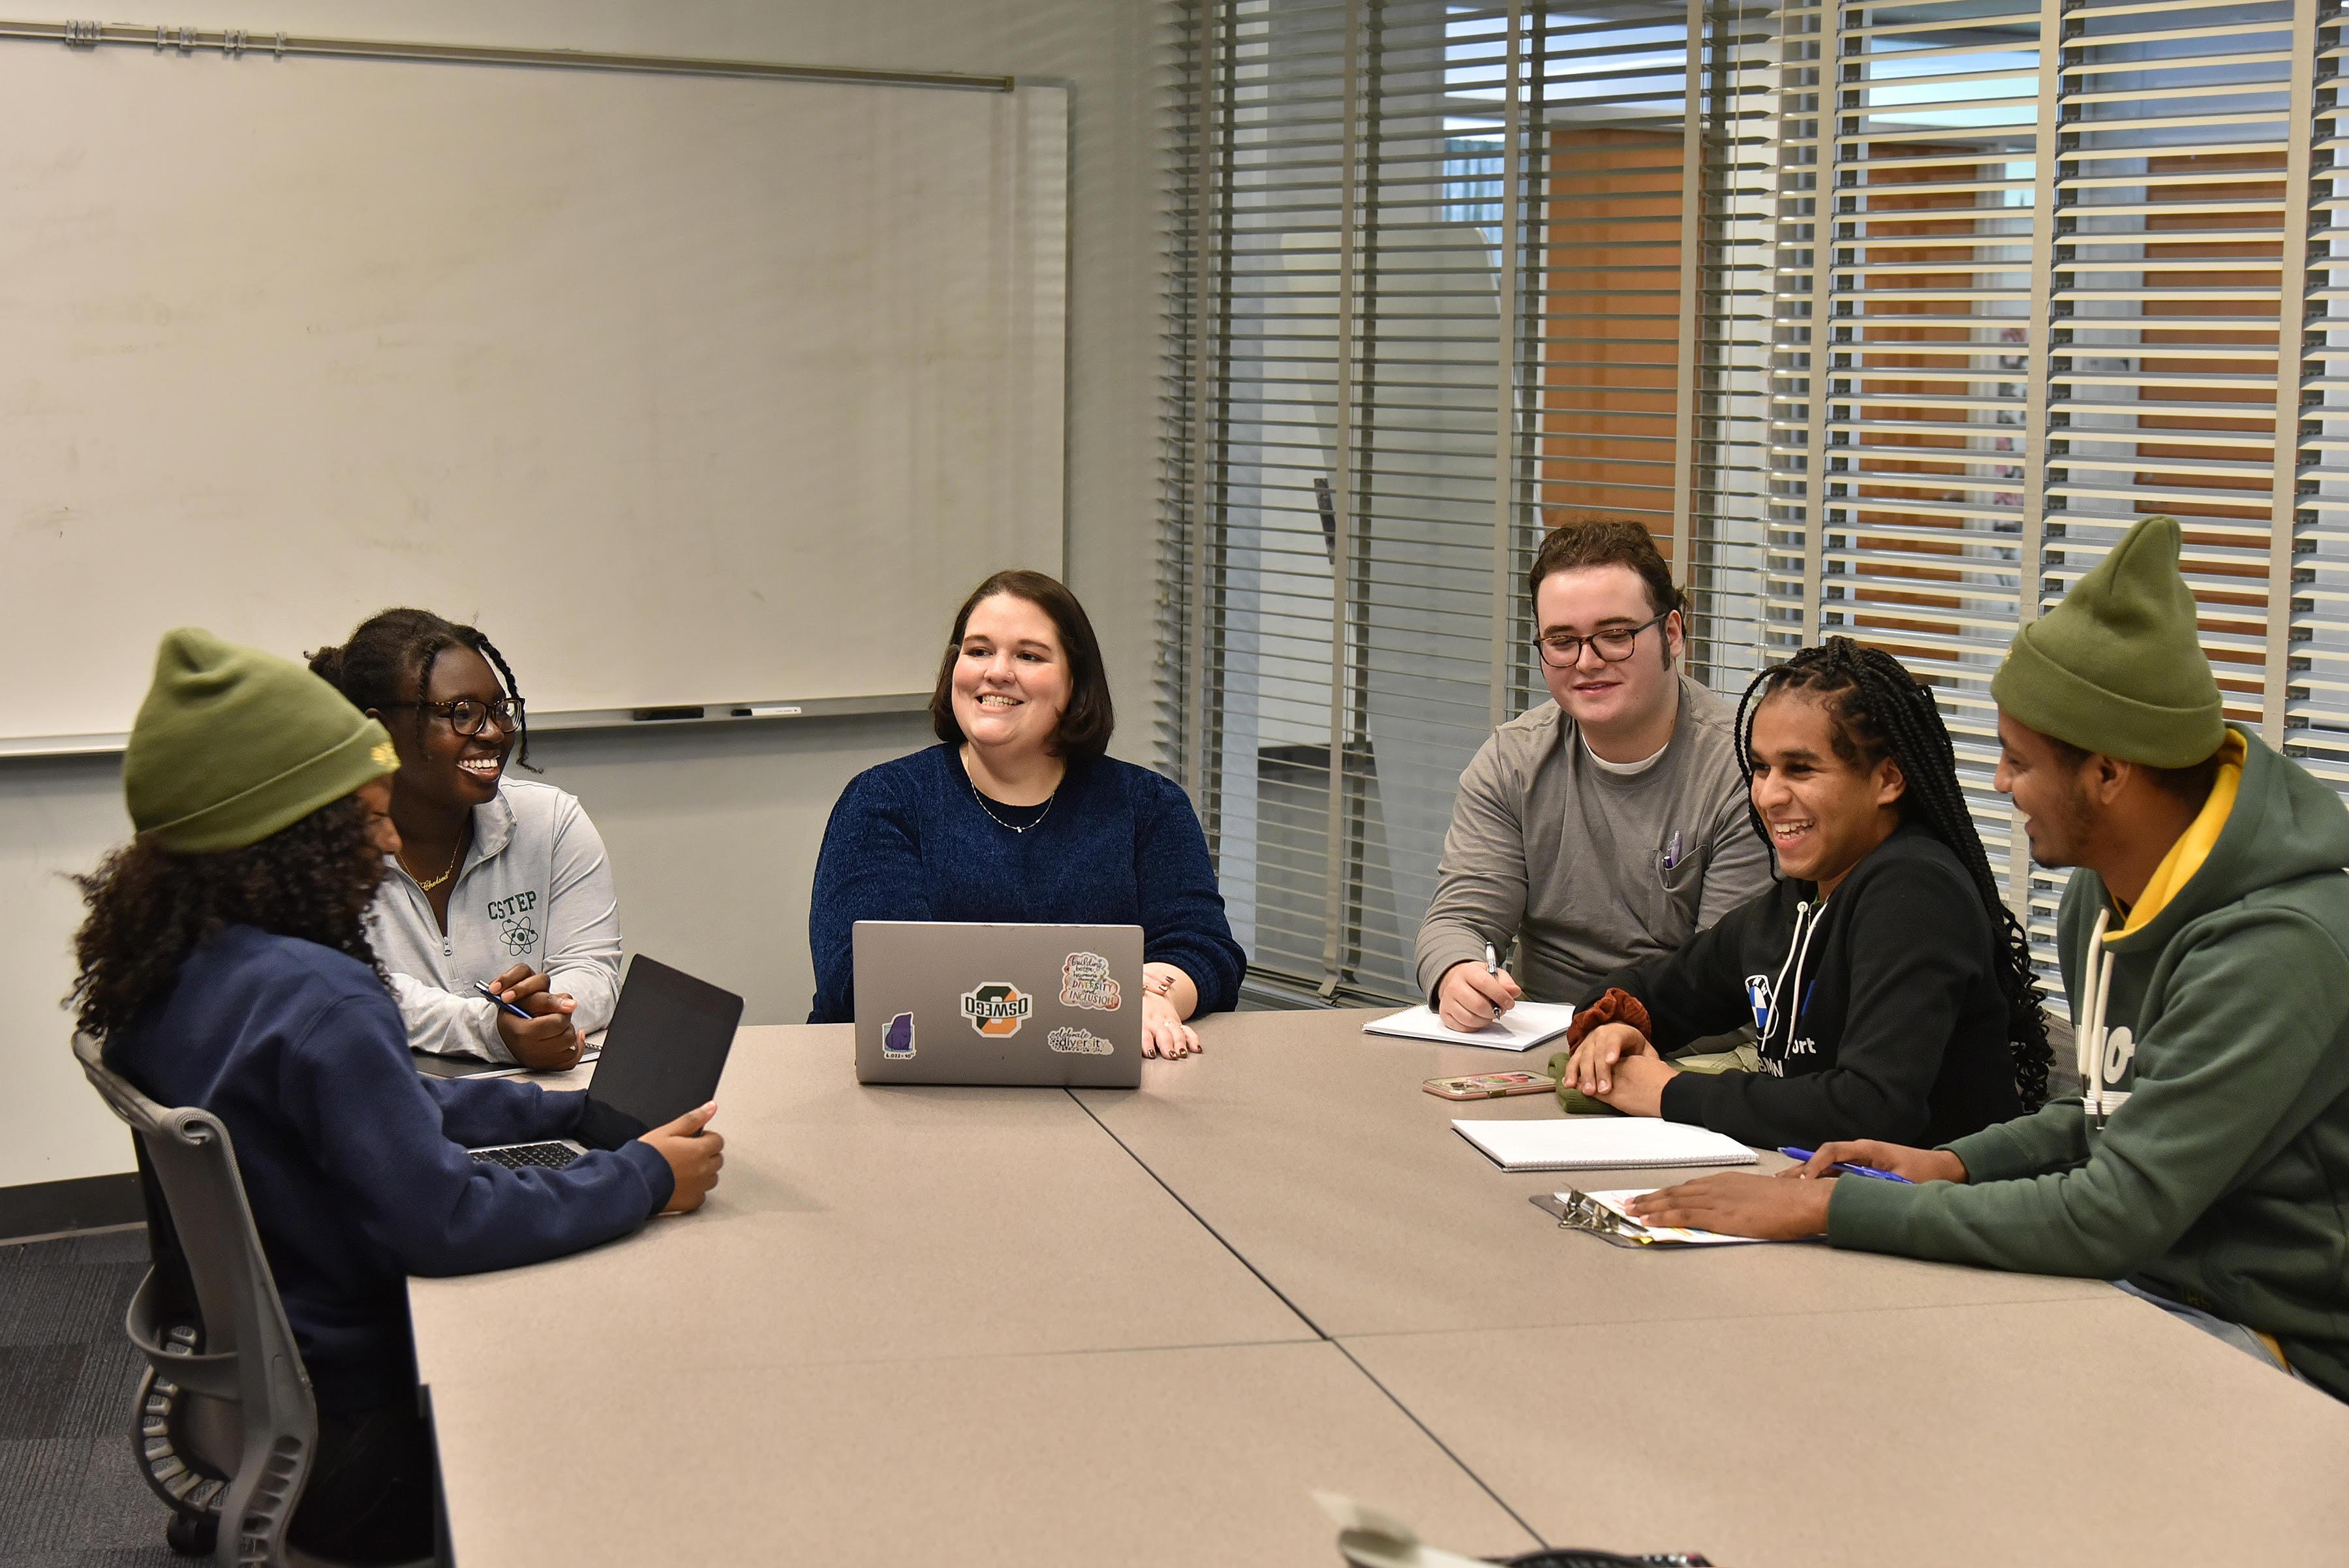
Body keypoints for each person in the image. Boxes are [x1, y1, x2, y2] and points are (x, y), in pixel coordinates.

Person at [1622, 517, 2349, 1402]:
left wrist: (1832, 1204)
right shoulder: (2101, 890)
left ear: (2109, 772)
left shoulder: (2278, 943)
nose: (1999, 784)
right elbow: (2107, 1114)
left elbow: (2118, 1207)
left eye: (2018, 760)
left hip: (2276, 1340)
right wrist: (1957, 1162)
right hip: (2140, 1281)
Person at [70, 629, 726, 1560]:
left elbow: (378, 1112)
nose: (385, 840)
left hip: (262, 1401)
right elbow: (446, 1221)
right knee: (666, 1397)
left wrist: (571, 1111)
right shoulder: (321, 998)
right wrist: (644, 1178)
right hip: (375, 1438)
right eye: (361, 818)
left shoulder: (182, 969)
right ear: (287, 831)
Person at [1556, 638, 2051, 1146]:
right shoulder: (1800, 898)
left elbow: (1872, 1108)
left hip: (1932, 1211)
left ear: (1888, 779)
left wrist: (1670, 1092)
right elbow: (1651, 989)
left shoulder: (1916, 894)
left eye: (1801, 769)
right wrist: (1611, 1029)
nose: (1768, 794)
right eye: (1763, 767)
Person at [808, 570, 1245, 1058]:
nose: (997, 671)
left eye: (1029, 655)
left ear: (1076, 682)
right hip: (909, 1083)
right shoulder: (884, 799)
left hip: (1100, 1079)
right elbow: (865, 978)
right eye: (978, 651)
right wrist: (1093, 1001)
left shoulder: (1149, 804)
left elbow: (1202, 948)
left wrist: (1150, 1002)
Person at [1415, 519, 1773, 1033]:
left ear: (1672, 634)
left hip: (1685, 1048)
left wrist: (1611, 1039)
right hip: (1539, 1039)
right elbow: (1458, 921)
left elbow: (1729, 985)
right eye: (1562, 641)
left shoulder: (1746, 770)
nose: (1587, 662)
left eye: (1614, 635)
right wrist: (1457, 973)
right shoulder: (1510, 763)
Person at [309, 608, 620, 1069]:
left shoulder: (550, 821)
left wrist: (546, 1008)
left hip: (535, 1096)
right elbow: (361, 995)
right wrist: (493, 1027)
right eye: (462, 713)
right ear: (379, 731)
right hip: (397, 1101)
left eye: (499, 709)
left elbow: (595, 969)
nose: (494, 732)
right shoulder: (323, 848)